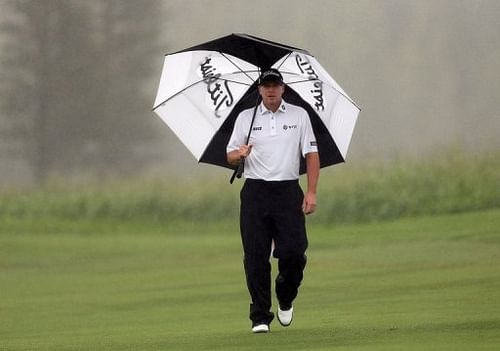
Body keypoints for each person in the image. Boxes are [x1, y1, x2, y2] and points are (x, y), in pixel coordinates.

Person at [226, 68, 320, 333]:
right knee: (255, 256)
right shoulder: (246, 118)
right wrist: (239, 153)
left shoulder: (299, 115)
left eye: (274, 85)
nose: (270, 90)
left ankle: (286, 295)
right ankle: (259, 316)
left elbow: (311, 155)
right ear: (259, 89)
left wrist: (311, 192)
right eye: (265, 85)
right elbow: (229, 156)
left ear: (283, 88)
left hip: (288, 191)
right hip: (255, 192)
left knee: (293, 253)